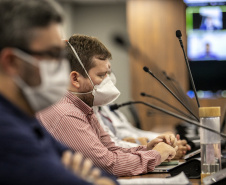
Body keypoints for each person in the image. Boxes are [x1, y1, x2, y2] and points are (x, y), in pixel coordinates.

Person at [0, 1, 117, 185]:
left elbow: (103, 176)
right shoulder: (6, 131)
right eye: (54, 54)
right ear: (13, 62)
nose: (63, 65)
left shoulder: (26, 118)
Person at [37, 34, 178, 177]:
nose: (108, 81)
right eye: (101, 75)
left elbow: (110, 149)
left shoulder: (83, 108)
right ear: (75, 79)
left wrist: (147, 149)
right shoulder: (66, 113)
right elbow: (108, 164)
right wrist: (156, 155)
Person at [95, 104, 191, 159]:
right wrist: (156, 151)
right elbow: (115, 143)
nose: (108, 78)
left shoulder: (106, 106)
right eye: (102, 74)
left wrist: (160, 140)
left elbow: (132, 131)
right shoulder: (92, 111)